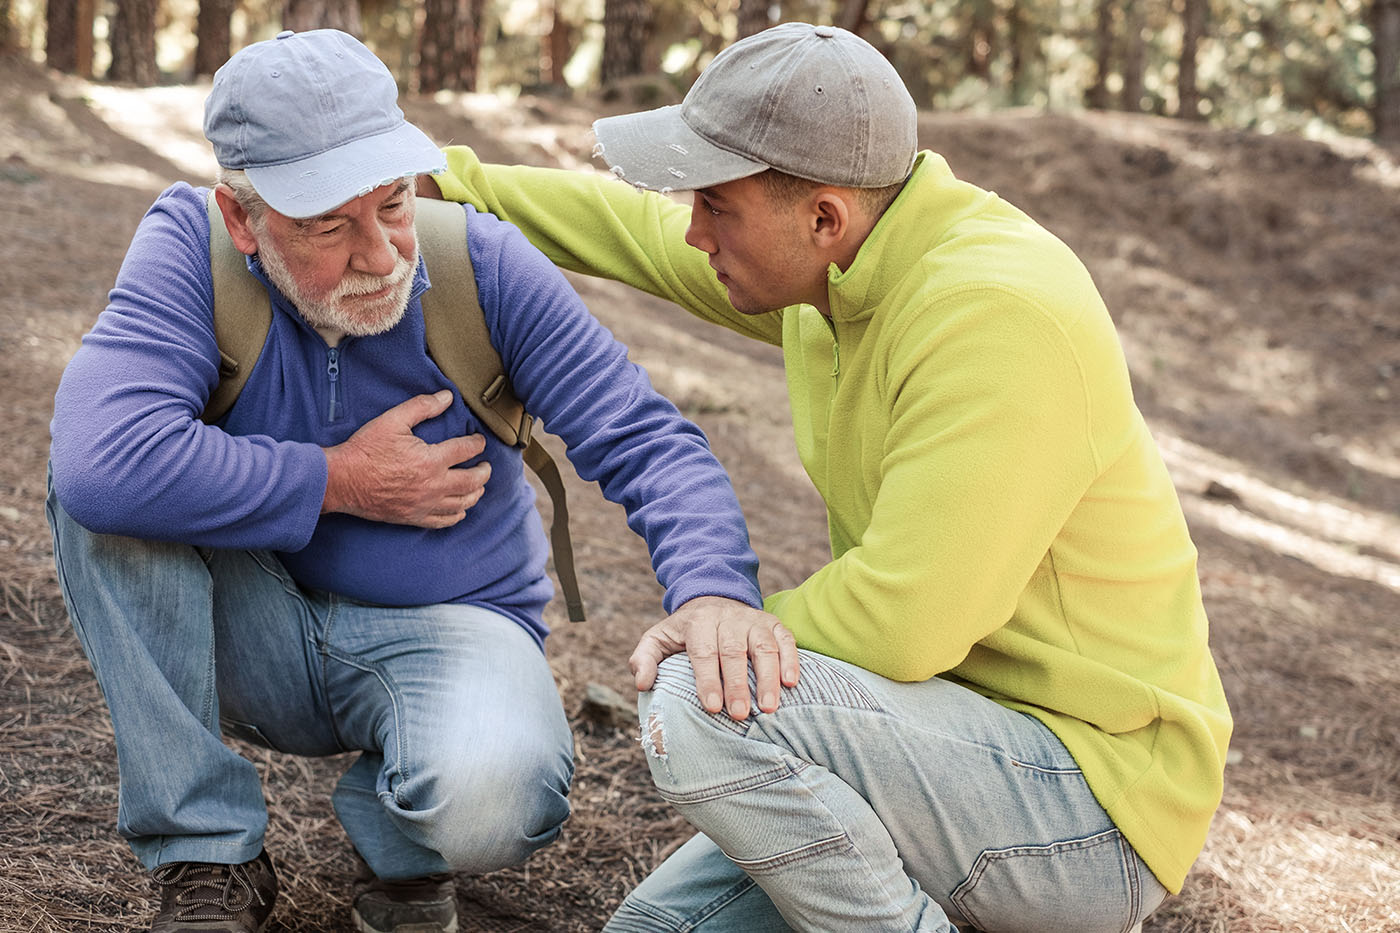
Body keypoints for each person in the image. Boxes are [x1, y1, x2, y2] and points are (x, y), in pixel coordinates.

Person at [420, 21, 1234, 933]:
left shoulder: (994, 314)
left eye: (716, 207)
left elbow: (905, 618)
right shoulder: (843, 273)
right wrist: (444, 185)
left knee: (699, 696)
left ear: (823, 218)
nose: (695, 229)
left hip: (1088, 810)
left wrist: (729, 619)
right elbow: (640, 233)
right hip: (930, 747)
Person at [45, 28, 794, 933]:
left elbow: (644, 438)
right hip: (248, 620)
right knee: (106, 505)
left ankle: (397, 829)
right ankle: (207, 851)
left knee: (494, 799)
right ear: (242, 219)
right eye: (328, 225)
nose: (380, 255)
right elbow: (100, 457)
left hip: (452, 626)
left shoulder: (481, 263)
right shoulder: (190, 249)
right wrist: (337, 480)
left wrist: (714, 585)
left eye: (391, 203)